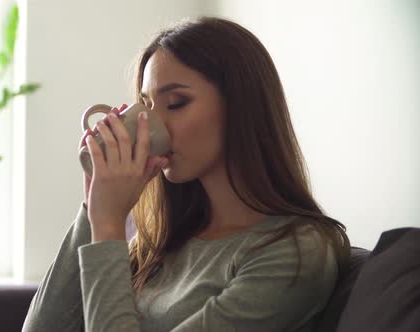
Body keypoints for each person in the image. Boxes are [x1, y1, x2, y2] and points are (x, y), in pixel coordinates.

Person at [22, 16, 350, 332]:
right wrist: (95, 204)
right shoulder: (161, 240)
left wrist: (109, 226)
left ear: (241, 108)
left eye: (176, 103)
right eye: (146, 106)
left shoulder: (293, 253)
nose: (153, 124)